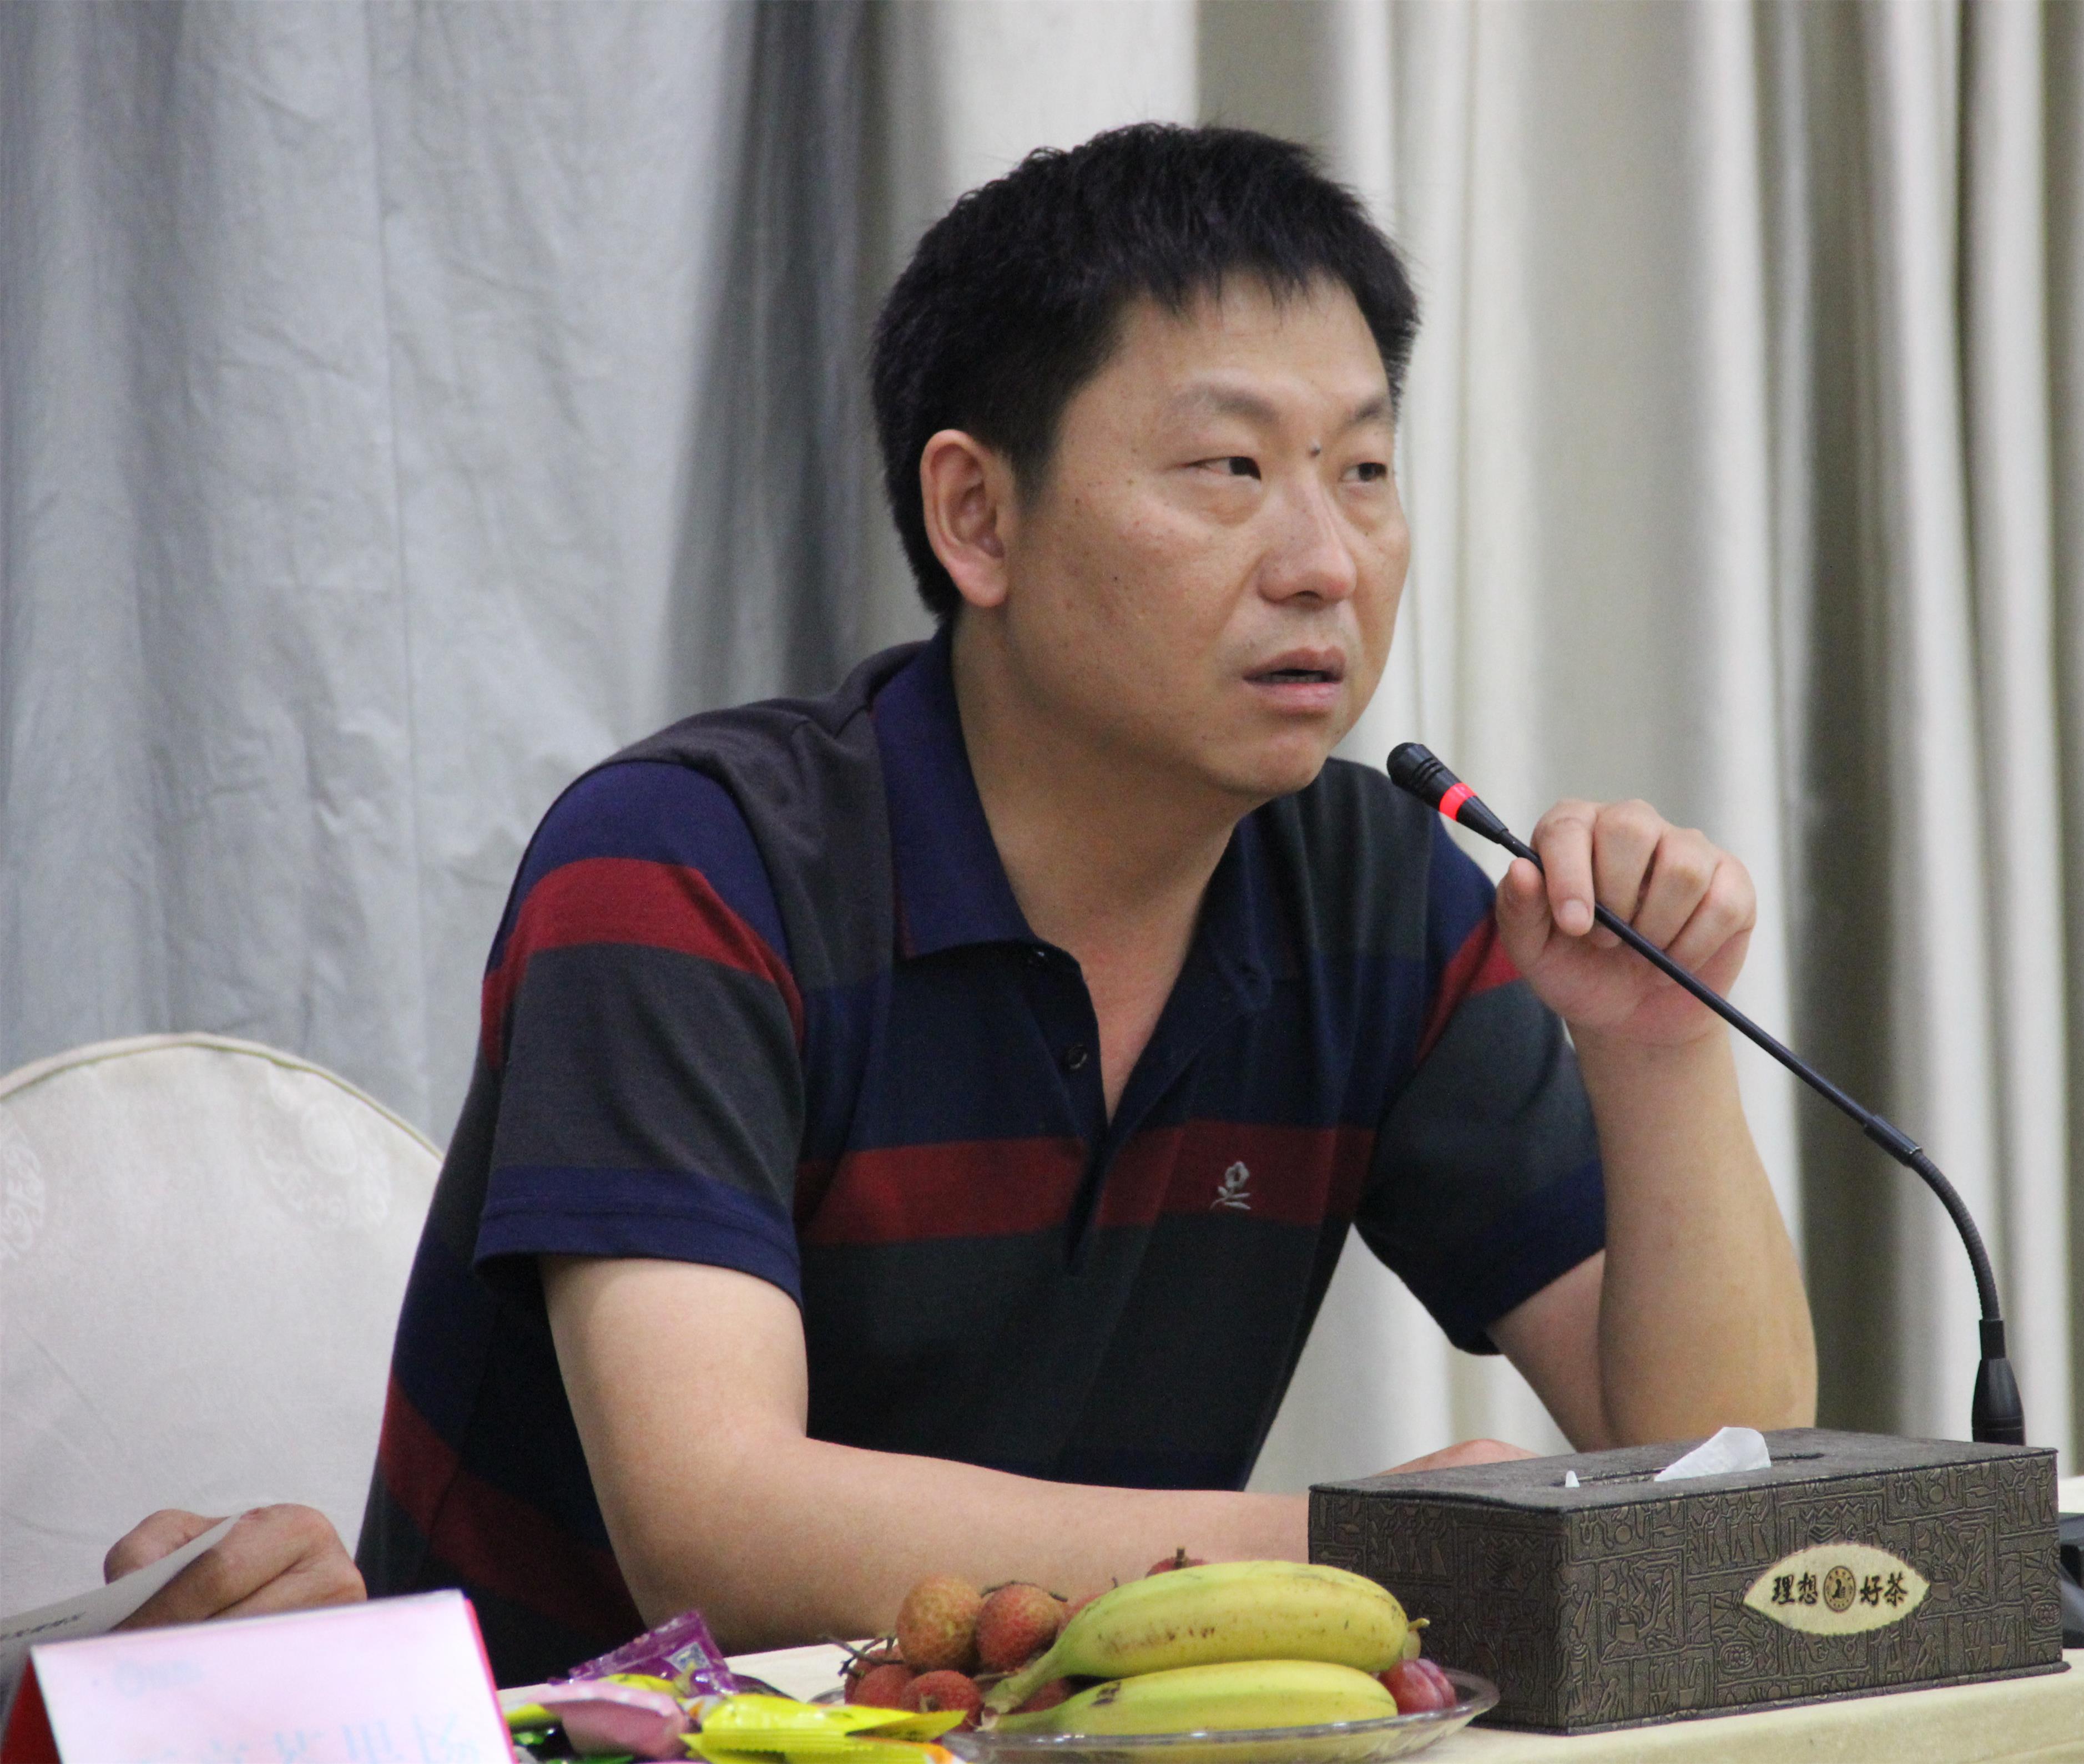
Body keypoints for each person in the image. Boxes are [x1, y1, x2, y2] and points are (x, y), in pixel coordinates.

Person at [104, 123, 1814, 1676]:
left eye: (1362, 471)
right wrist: (1362, 1551)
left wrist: (1657, 1051)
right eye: (1230, 469)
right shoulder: (687, 867)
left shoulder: (1374, 891)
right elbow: (717, 1520)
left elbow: (1722, 1488)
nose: (1322, 561)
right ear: (976, 515)